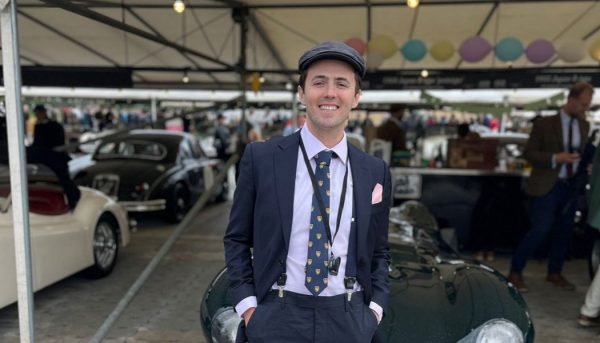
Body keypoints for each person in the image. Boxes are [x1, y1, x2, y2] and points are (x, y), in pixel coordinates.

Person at [223, 41, 391, 343]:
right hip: (276, 314)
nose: (330, 92)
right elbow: (236, 238)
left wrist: (375, 310)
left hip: (350, 317)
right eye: (319, 82)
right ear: (302, 93)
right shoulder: (261, 159)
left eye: (342, 83)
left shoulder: (374, 171)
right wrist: (249, 307)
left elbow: (379, 250)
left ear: (356, 97)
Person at [507, 82, 593, 292]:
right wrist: (556, 158)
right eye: (583, 104)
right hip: (547, 185)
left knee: (564, 232)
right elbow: (529, 153)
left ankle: (555, 273)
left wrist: (586, 165)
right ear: (571, 100)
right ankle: (515, 272)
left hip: (571, 186)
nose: (585, 109)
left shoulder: (584, 125)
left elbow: (582, 153)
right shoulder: (545, 124)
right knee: (540, 229)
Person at [27, 104, 81, 209]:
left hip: (52, 156)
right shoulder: (42, 126)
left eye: (38, 113)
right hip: (49, 156)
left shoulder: (51, 126)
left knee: (64, 178)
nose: (38, 115)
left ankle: (72, 198)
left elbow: (52, 143)